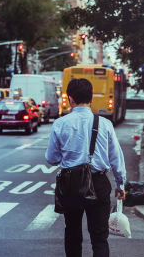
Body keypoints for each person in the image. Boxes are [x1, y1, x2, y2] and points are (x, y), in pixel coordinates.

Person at [45, 78, 126, 257]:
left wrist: (68, 156)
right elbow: (116, 158)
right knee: (99, 237)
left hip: (70, 183)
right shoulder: (104, 124)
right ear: (91, 99)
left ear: (70, 99)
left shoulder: (60, 123)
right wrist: (120, 185)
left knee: (72, 233)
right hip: (98, 183)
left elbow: (51, 158)